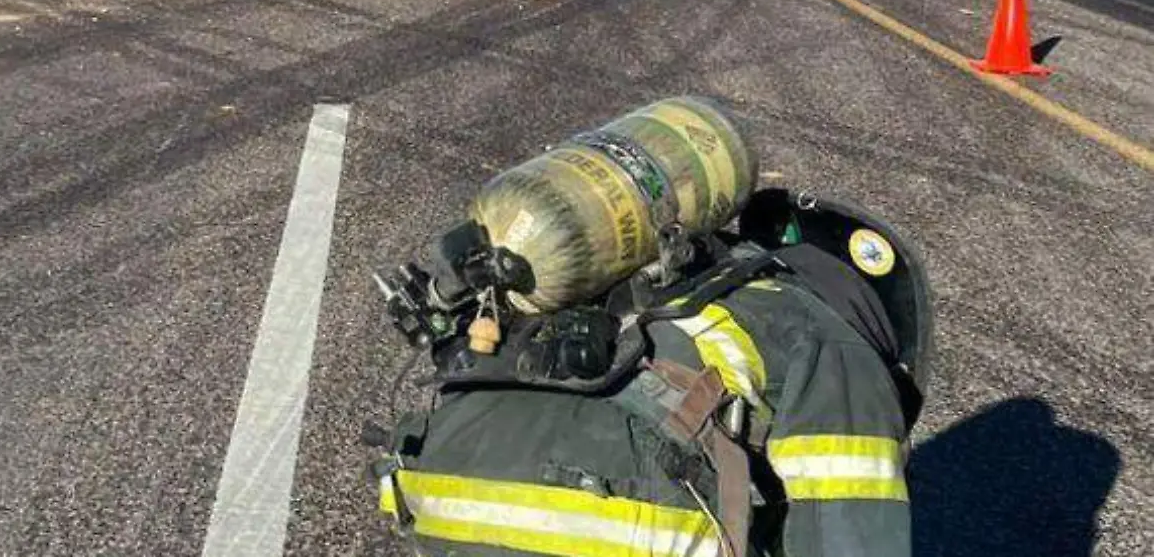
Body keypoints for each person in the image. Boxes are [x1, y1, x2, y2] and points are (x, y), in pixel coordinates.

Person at [366, 101, 929, 557]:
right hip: (621, 528)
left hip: (440, 497)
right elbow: (852, 538)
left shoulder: (621, 278)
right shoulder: (828, 341)